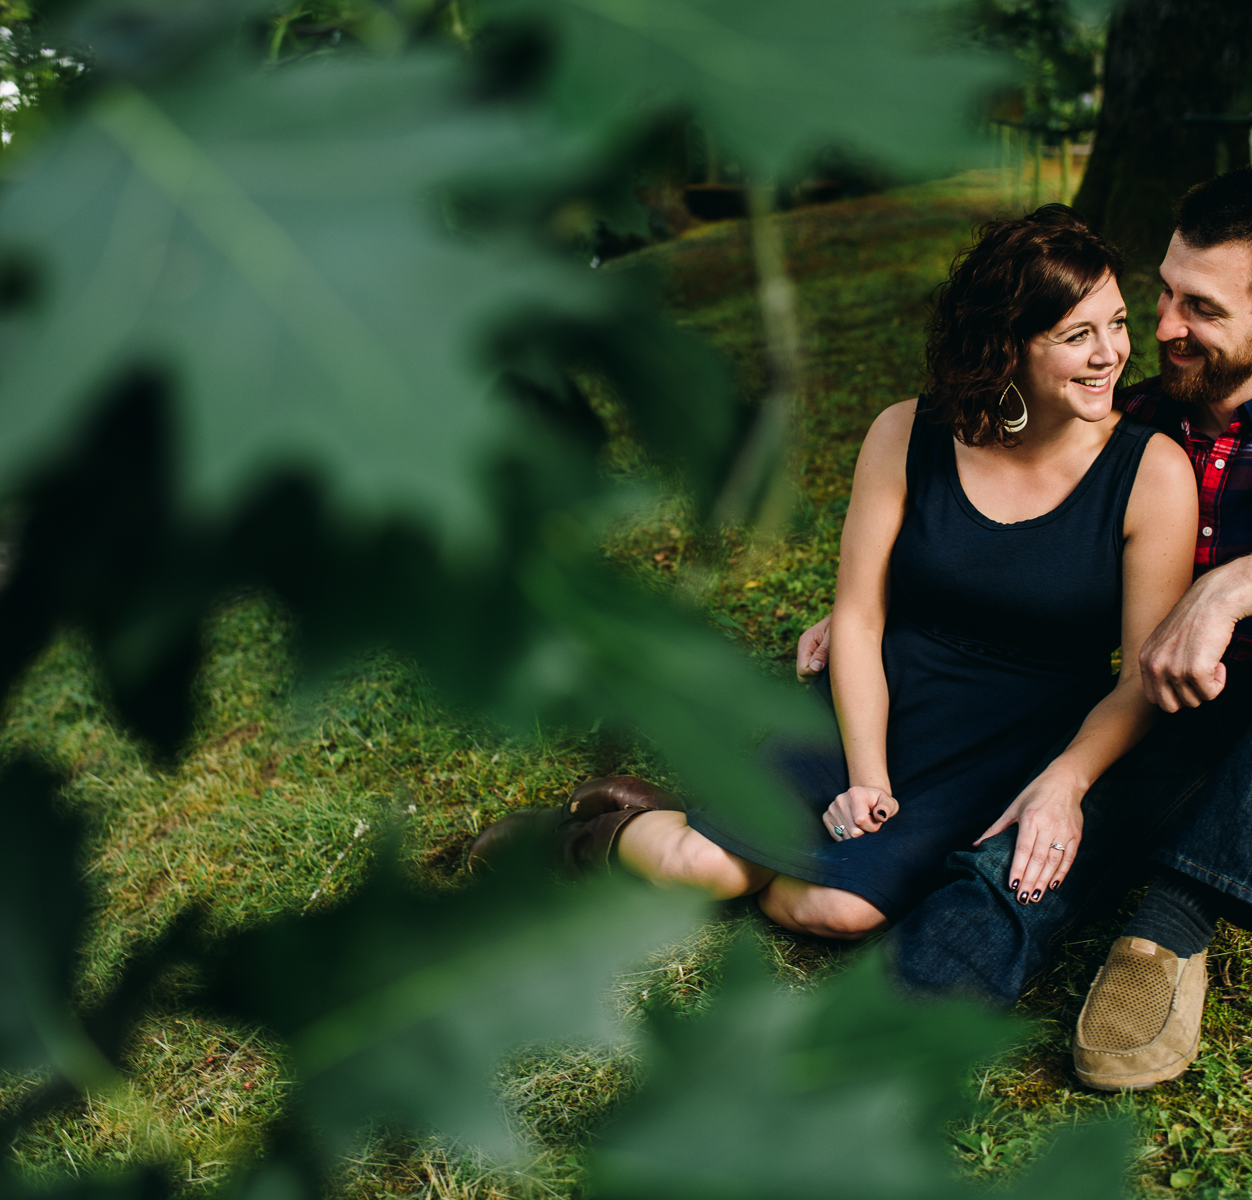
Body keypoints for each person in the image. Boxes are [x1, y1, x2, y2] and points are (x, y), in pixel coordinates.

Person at [796, 166, 1252, 1092]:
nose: (1161, 328)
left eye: (1199, 307)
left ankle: (1170, 924)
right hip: (1169, 721)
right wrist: (886, 599)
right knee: (1033, 838)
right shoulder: (1136, 411)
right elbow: (1012, 503)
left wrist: (1228, 592)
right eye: (1162, 293)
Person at [471, 206, 1198, 942]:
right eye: (1077, 336)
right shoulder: (906, 433)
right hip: (883, 692)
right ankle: (571, 842)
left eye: (1116, 323)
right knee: (709, 868)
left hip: (1013, 739)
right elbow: (858, 618)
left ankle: (697, 820)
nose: (1111, 353)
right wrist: (867, 777)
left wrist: (1066, 777)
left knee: (828, 908)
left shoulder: (1151, 474)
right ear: (1007, 347)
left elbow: (1139, 677)